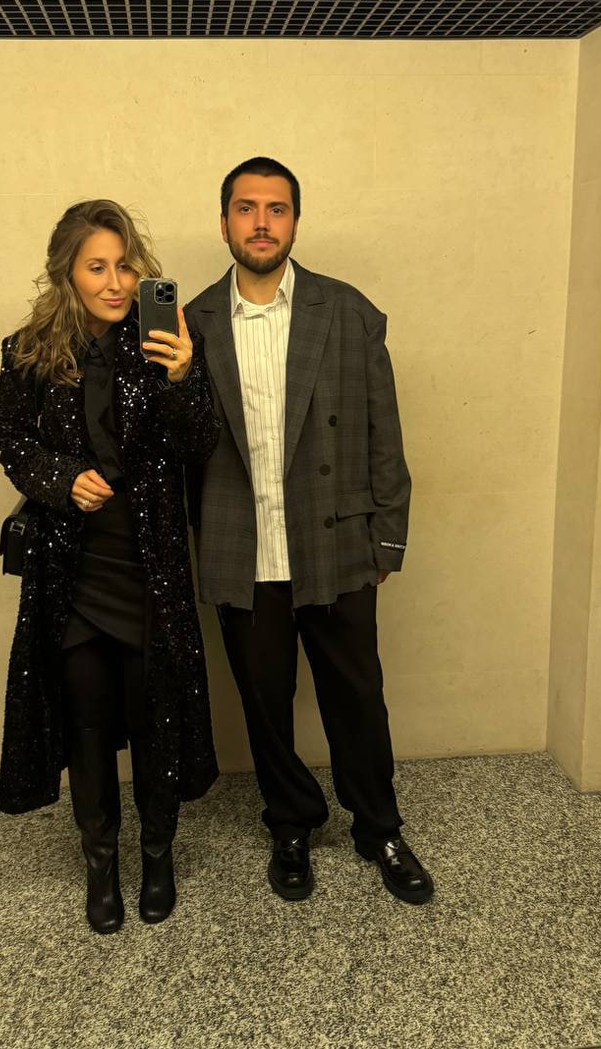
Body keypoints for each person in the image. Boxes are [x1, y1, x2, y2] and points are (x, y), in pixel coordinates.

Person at [185, 157, 433, 906]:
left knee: (356, 697)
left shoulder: (347, 311)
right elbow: (173, 447)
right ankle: (290, 823)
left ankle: (378, 828)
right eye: (246, 208)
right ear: (223, 221)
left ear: (295, 221)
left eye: (277, 208)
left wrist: (388, 535)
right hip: (241, 544)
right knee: (264, 703)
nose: (261, 222)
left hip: (336, 541)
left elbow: (383, 429)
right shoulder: (191, 322)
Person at [0, 199, 219, 934]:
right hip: (72, 572)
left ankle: (156, 855)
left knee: (154, 718)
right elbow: (11, 441)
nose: (116, 282)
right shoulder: (28, 351)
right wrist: (62, 480)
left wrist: (183, 378)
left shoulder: (164, 343)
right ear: (68, 273)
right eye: (97, 267)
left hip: (148, 567)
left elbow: (201, 445)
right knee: (87, 720)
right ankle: (100, 862)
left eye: (125, 265)